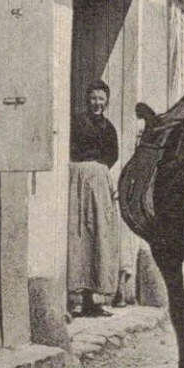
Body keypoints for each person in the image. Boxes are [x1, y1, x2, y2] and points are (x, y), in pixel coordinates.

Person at [67, 80, 120, 318]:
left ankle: (97, 299)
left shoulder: (108, 128)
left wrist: (100, 174)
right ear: (87, 100)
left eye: (101, 99)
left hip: (99, 180)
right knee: (79, 233)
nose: (97, 103)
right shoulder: (77, 122)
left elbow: (113, 155)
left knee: (100, 234)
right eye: (93, 98)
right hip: (78, 179)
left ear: (106, 101)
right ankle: (77, 299)